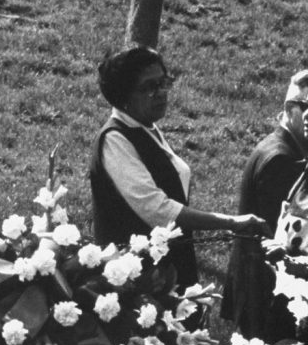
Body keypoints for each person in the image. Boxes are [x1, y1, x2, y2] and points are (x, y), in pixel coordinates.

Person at [90, 46, 267, 290]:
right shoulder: (115, 140)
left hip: (168, 262)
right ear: (124, 95)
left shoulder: (146, 128)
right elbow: (158, 210)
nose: (162, 93)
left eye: (164, 82)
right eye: (150, 87)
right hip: (133, 277)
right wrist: (231, 222)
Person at [221, 70, 308, 340]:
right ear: (288, 108)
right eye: (304, 107)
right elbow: (284, 238)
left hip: (261, 291)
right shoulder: (283, 161)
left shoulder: (283, 148)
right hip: (270, 300)